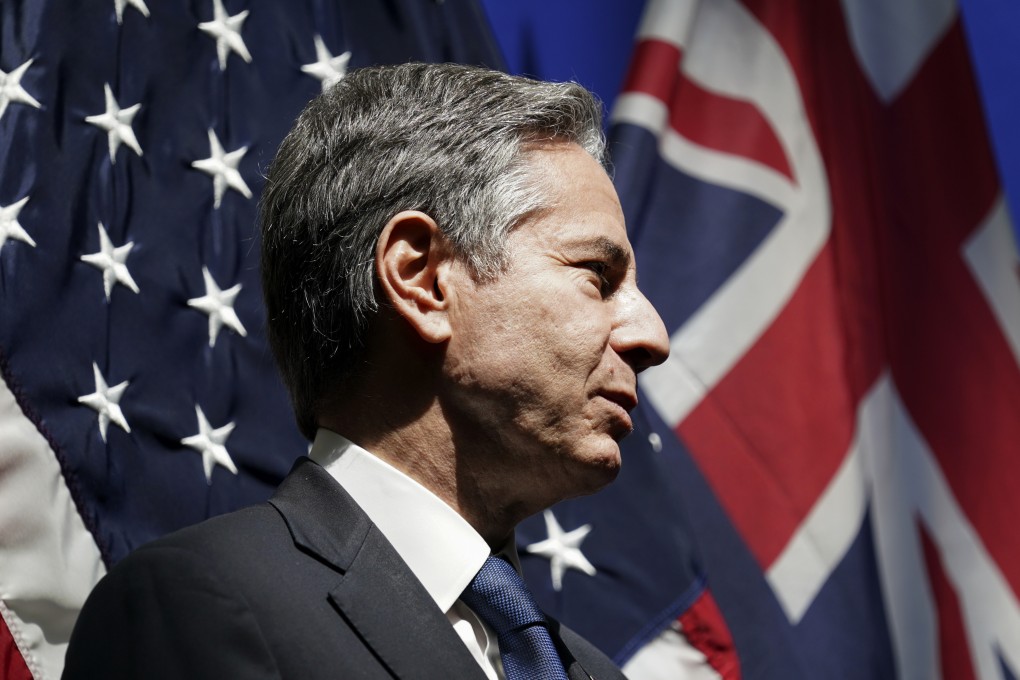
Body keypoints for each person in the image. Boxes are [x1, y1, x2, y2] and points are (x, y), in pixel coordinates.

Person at [63, 62, 669, 680]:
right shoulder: (202, 610)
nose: (652, 337)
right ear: (422, 278)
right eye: (597, 274)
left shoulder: (593, 673)